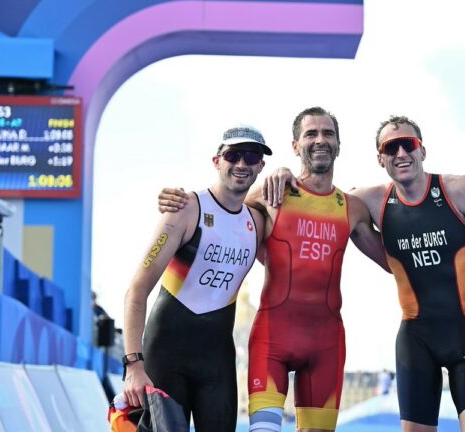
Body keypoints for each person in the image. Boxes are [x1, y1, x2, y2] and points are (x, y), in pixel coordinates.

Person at [259, 115, 465, 432]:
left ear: (422, 151)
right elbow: (319, 197)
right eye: (390, 148)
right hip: (416, 341)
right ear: (380, 158)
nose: (400, 154)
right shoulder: (369, 201)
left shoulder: (460, 191)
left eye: (408, 145)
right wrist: (285, 174)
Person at [158, 107, 389, 432]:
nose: (320, 140)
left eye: (327, 134)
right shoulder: (271, 195)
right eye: (311, 133)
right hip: (273, 339)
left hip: (326, 345)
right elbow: (223, 205)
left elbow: (393, 263)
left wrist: (405, 214)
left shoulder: (353, 208)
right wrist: (179, 202)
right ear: (295, 146)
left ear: (339, 144)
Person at [122, 125, 271, 431]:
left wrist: (283, 173)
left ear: (261, 166)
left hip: (216, 361)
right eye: (233, 155)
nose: (241, 164)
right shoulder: (186, 209)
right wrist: (134, 365)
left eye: (251, 156)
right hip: (166, 353)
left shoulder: (258, 221)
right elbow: (136, 290)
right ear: (217, 161)